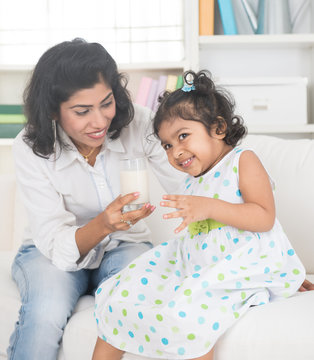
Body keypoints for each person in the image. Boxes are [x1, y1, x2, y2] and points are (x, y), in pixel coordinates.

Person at [93, 70, 308, 360]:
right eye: (167, 145)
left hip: (239, 262)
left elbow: (263, 217)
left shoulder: (242, 161)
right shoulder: (192, 180)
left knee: (188, 316)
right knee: (120, 296)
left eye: (183, 136)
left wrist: (208, 208)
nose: (175, 152)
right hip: (195, 263)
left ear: (218, 128)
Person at [7, 38, 184, 360]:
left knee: (138, 303)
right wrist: (102, 224)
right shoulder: (30, 147)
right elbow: (54, 239)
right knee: (45, 312)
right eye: (81, 111)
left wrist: (261, 259)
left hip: (125, 243)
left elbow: (191, 186)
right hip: (50, 253)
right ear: (53, 111)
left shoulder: (141, 123)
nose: (100, 120)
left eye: (106, 103)